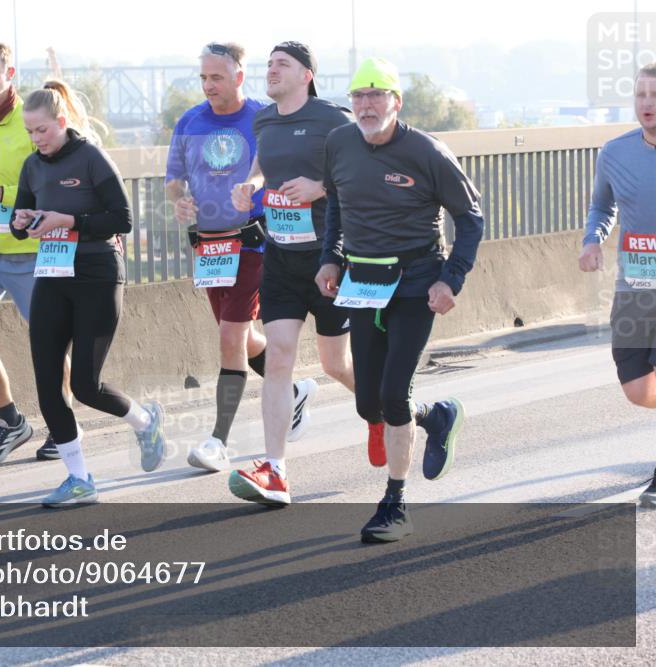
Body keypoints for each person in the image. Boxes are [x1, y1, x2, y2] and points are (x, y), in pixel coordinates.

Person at [316, 57, 485, 542]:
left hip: (415, 279)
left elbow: (470, 218)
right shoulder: (339, 142)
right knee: (369, 401)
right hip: (363, 281)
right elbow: (335, 206)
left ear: (396, 101)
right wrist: (330, 257)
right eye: (359, 96)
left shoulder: (427, 151)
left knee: (393, 393)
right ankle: (436, 416)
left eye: (377, 95)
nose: (367, 105)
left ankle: (395, 504)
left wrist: (451, 279)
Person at [11, 81, 167, 507]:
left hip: (97, 272)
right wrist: (22, 219)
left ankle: (144, 420)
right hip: (53, 273)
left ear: (61, 123)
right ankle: (79, 478)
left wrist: (68, 219)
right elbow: (17, 220)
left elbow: (122, 218)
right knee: (47, 386)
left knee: (85, 384)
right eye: (29, 132)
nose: (35, 139)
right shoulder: (31, 165)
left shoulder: (90, 157)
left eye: (41, 130)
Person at [165, 42, 308, 473]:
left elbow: (278, 161)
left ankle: (218, 440)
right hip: (210, 246)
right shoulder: (189, 121)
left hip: (254, 243)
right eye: (204, 78)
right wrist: (180, 201)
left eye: (217, 78)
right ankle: (296, 390)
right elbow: (173, 178)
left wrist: (257, 184)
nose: (209, 85)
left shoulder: (263, 116)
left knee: (230, 338)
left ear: (239, 77)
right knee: (241, 339)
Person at [227, 41, 356, 505]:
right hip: (281, 257)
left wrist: (321, 187)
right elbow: (264, 158)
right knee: (278, 358)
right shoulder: (264, 119)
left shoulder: (333, 119)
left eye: (282, 64)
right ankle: (275, 471)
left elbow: (363, 167)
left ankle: (398, 414)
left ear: (306, 75)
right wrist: (253, 184)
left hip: (328, 257)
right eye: (269, 64)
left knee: (334, 364)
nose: (271, 70)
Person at [0, 40, 68, 465]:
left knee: (48, 341)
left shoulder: (30, 123)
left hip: (32, 249)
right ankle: (11, 421)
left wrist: (1, 193)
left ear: (10, 73)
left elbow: (51, 188)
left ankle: (62, 425)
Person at [578, 62, 656, 508]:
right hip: (635, 285)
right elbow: (601, 206)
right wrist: (593, 241)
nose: (647, 103)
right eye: (641, 94)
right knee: (637, 388)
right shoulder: (615, 153)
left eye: (655, 94)